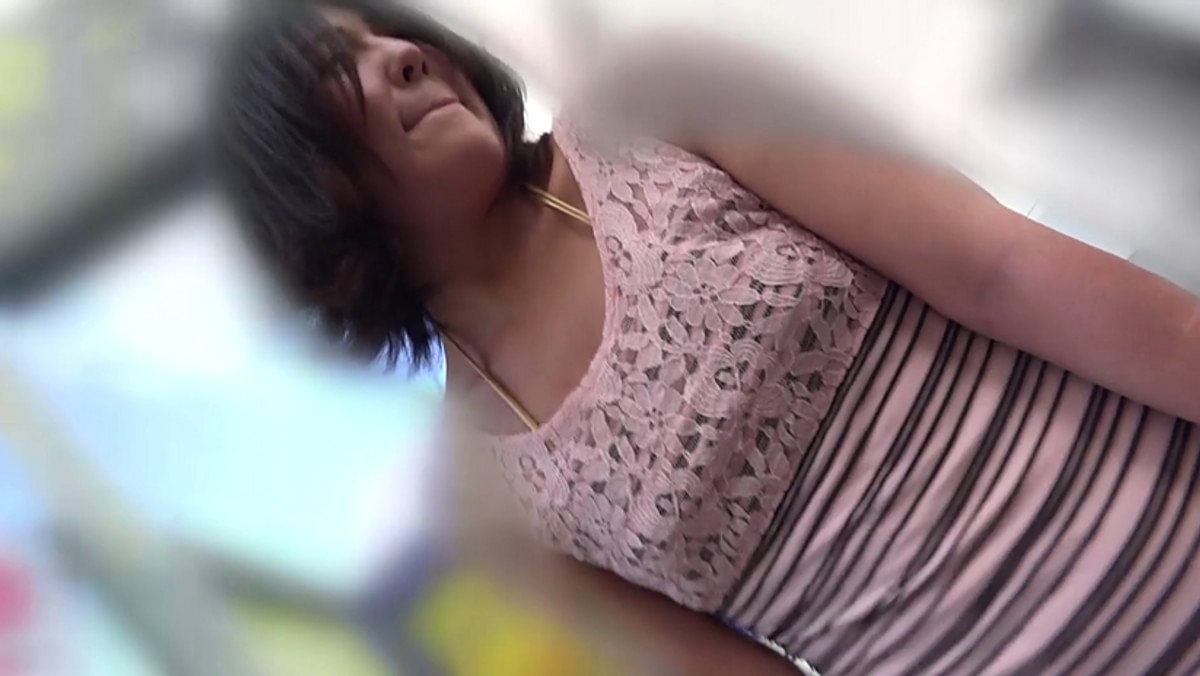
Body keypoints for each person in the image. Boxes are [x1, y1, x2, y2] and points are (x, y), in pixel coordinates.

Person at [211, 1, 1200, 673]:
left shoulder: (652, 107)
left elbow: (1004, 269)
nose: (400, 53)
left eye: (384, 30)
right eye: (339, 69)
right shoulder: (481, 498)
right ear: (305, 205)